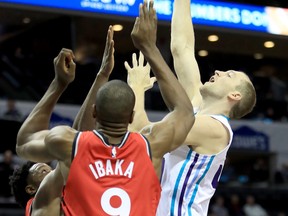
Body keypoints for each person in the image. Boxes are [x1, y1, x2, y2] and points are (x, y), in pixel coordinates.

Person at [16, 4, 195, 214]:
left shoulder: (68, 143)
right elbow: (184, 112)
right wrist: (149, 48)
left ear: (94, 112)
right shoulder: (152, 144)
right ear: (131, 117)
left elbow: (24, 141)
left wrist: (59, 84)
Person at [126, 0, 257, 215]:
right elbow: (182, 49)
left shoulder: (215, 129)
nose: (220, 72)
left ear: (234, 95)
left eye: (229, 75)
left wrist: (137, 89)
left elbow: (142, 135)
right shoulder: (196, 108)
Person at [10, 25, 116, 216]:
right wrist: (59, 83)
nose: (50, 171)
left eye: (46, 168)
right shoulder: (39, 202)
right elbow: (74, 146)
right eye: (42, 171)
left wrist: (101, 75)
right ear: (31, 189)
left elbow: (77, 142)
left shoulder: (64, 193)